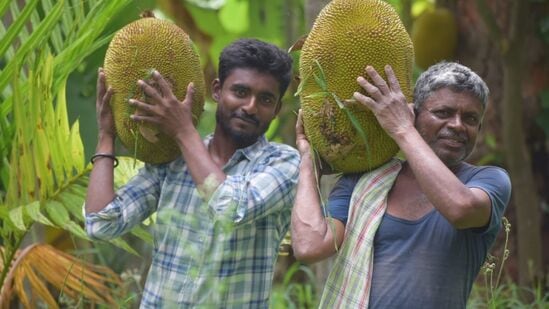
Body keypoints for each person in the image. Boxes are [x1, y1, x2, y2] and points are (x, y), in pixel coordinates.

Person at [85, 38, 299, 308]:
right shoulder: (172, 160)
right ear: (218, 91)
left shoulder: (284, 163)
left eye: (265, 99)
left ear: (277, 109)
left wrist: (183, 131)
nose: (251, 107)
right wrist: (106, 135)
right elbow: (101, 224)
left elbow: (231, 207)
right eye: (241, 92)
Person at [291, 61, 512, 308]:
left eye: (470, 119)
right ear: (414, 113)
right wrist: (307, 163)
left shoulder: (489, 180)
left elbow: (460, 208)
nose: (458, 125)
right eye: (443, 113)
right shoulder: (366, 179)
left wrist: (402, 129)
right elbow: (310, 246)